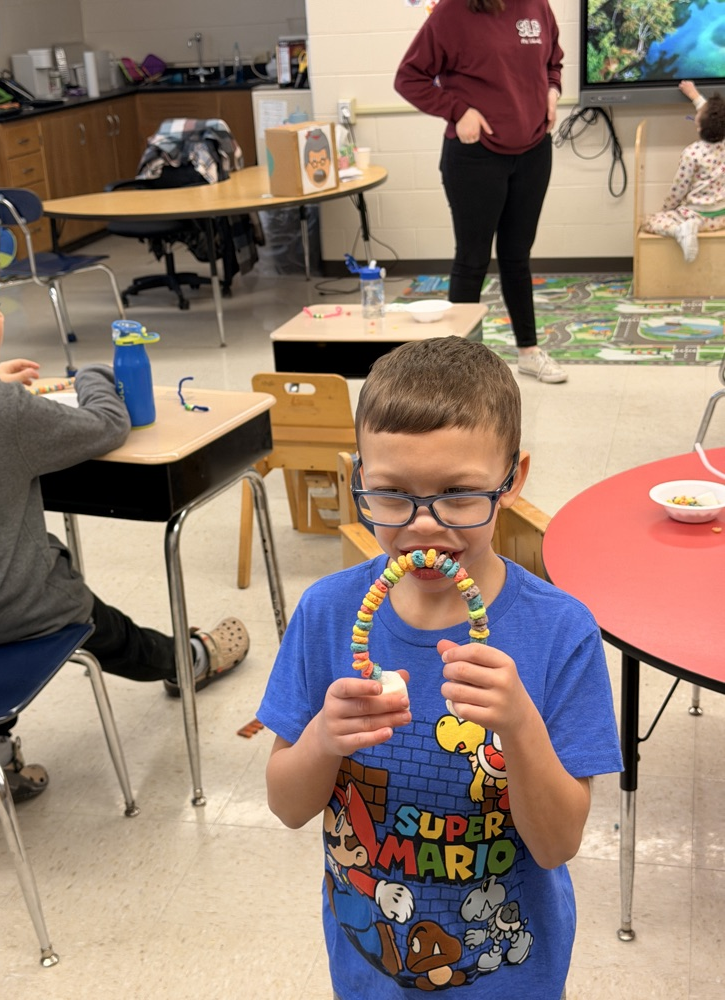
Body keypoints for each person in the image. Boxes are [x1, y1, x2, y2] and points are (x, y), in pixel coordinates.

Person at [258, 336, 622, 998]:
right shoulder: (326, 614)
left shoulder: (561, 631)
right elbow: (286, 804)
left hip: (510, 972)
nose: (424, 527)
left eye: (458, 495)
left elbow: (557, 844)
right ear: (358, 478)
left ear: (511, 481)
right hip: (372, 969)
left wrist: (519, 724)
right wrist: (322, 740)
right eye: (393, 495)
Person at [0, 250, 249, 806]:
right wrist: (94, 374)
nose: (1, 318)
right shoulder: (1, 410)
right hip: (7, 613)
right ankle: (189, 660)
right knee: (88, 617)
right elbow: (106, 425)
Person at [394, 0, 568, 385]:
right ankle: (456, 373)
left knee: (516, 257)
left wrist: (552, 91)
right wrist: (457, 110)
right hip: (475, 157)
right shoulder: (452, 13)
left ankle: (528, 352)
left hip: (533, 150)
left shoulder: (537, 6)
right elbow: (409, 77)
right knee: (472, 260)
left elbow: (552, 59)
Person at [641, 80, 725, 263]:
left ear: (699, 127)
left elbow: (679, 188)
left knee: (649, 221)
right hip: (720, 217)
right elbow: (711, 114)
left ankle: (680, 231)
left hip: (697, 216)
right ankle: (685, 229)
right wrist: (694, 95)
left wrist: (667, 209)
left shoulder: (691, 153)